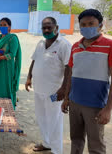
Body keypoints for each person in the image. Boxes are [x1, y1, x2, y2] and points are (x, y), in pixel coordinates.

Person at [61, 9, 112, 154]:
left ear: (100, 25)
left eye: (91, 24)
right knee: (76, 140)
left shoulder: (111, 46)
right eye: (83, 25)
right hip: (75, 103)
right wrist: (66, 98)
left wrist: (108, 109)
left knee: (96, 146)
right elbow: (71, 73)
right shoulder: (75, 46)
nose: (87, 27)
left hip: (95, 106)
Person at [25, 17, 71, 154]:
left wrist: (63, 89)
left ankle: (57, 151)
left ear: (56, 28)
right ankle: (46, 143)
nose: (46, 30)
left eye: (49, 27)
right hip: (39, 90)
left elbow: (69, 68)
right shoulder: (40, 43)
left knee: (55, 122)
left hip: (54, 93)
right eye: (44, 28)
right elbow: (34, 61)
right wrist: (29, 77)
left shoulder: (64, 44)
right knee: (42, 119)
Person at [0, 17, 22, 108]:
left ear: (9, 27)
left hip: (7, 68)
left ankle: (8, 107)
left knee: (6, 87)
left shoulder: (13, 38)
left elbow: (12, 54)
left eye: (4, 25)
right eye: (1, 25)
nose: (2, 27)